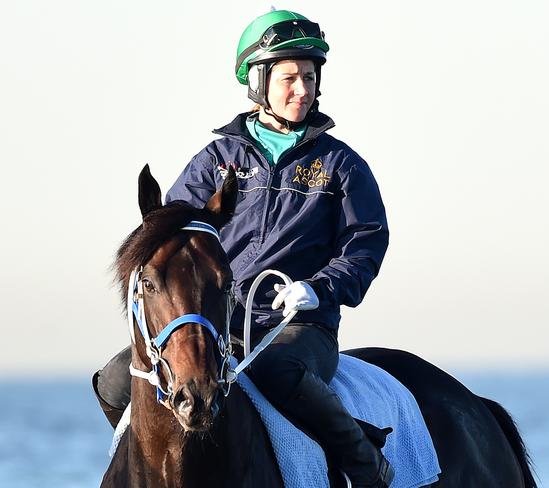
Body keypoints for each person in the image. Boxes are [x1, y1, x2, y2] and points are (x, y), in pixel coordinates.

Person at [93, 9, 392, 487]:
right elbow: (173, 244)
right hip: (218, 321)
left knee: (277, 369)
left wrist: (317, 289)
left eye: (310, 78)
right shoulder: (214, 161)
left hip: (297, 326)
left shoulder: (341, 165)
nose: (303, 89)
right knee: (113, 379)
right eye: (290, 78)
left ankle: (365, 462)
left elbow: (367, 242)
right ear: (258, 81)